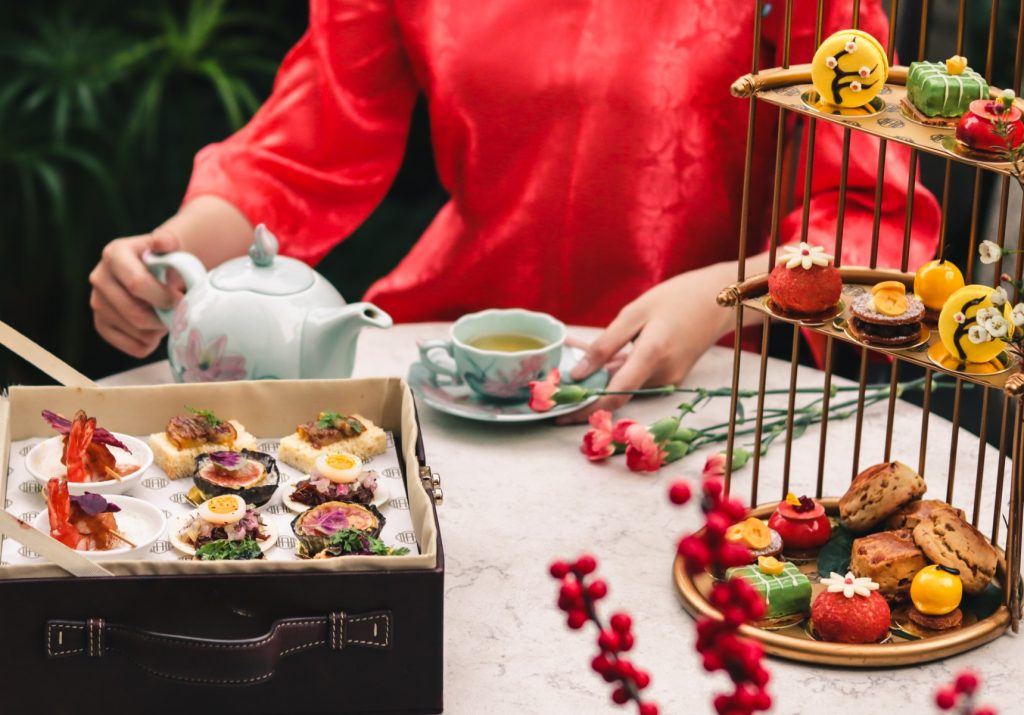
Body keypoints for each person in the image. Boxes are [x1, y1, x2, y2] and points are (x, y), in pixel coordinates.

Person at [89, 0, 939, 419]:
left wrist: (724, 295)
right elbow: (308, 142)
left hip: (696, 376)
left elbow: (870, 214)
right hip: (456, 362)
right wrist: (169, 259)